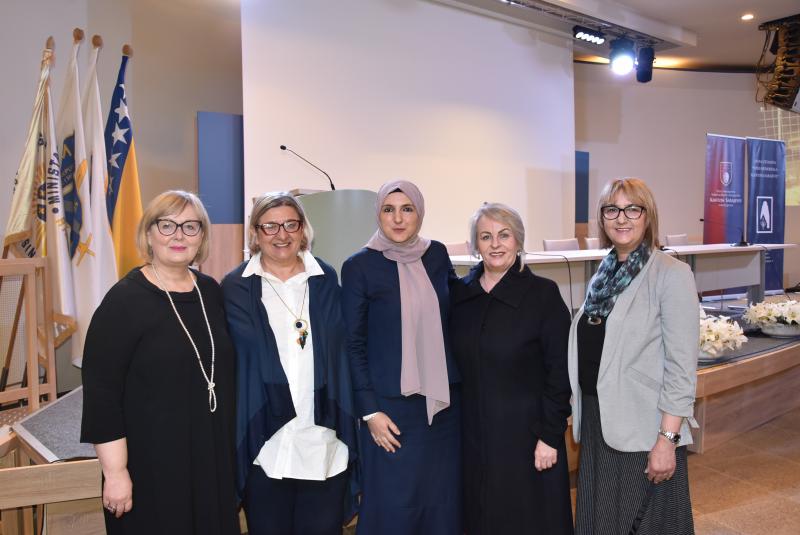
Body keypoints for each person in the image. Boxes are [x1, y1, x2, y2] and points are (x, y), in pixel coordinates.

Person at [80, 190, 239, 535]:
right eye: (167, 225)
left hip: (210, 461)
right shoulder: (123, 301)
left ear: (202, 236)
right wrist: (116, 473)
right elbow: (102, 396)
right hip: (151, 467)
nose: (179, 236)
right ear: (149, 233)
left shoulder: (211, 291)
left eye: (190, 226)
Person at [221, 193, 358, 535]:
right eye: (270, 226)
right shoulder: (235, 287)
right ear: (255, 233)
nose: (281, 234)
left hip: (322, 440)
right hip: (265, 443)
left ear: (303, 230)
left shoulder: (326, 278)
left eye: (290, 225)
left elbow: (345, 350)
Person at [569, 178, 699, 535]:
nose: (622, 218)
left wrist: (667, 440)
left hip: (644, 429)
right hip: (599, 421)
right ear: (602, 218)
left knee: (642, 523)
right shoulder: (604, 273)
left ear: (648, 215)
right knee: (602, 521)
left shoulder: (671, 274)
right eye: (612, 209)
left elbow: (681, 368)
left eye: (632, 209)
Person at [341, 180, 461, 534]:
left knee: (441, 502)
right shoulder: (359, 266)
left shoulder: (436, 255)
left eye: (407, 209)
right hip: (389, 412)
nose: (397, 218)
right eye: (388, 210)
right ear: (377, 214)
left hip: (443, 406)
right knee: (393, 507)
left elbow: (459, 306)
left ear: (419, 213)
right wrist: (369, 411)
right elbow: (352, 344)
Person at [450, 203, 573, 535]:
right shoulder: (460, 294)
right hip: (473, 439)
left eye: (504, 235)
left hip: (528, 438)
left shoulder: (543, 295)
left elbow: (560, 372)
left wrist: (550, 436)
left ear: (518, 240)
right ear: (475, 244)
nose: (495, 244)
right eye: (485, 236)